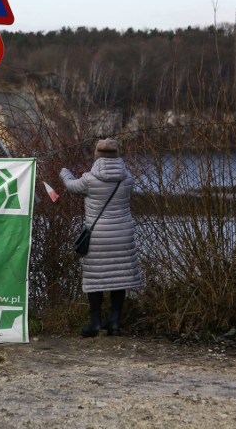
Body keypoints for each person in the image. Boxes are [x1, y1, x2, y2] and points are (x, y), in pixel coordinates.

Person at [60, 138, 142, 337]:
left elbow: (71, 187)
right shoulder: (128, 178)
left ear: (97, 155)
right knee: (119, 278)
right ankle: (114, 323)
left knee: (95, 278)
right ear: (117, 155)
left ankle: (95, 323)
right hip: (123, 235)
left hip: (98, 237)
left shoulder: (89, 179)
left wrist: (64, 172)